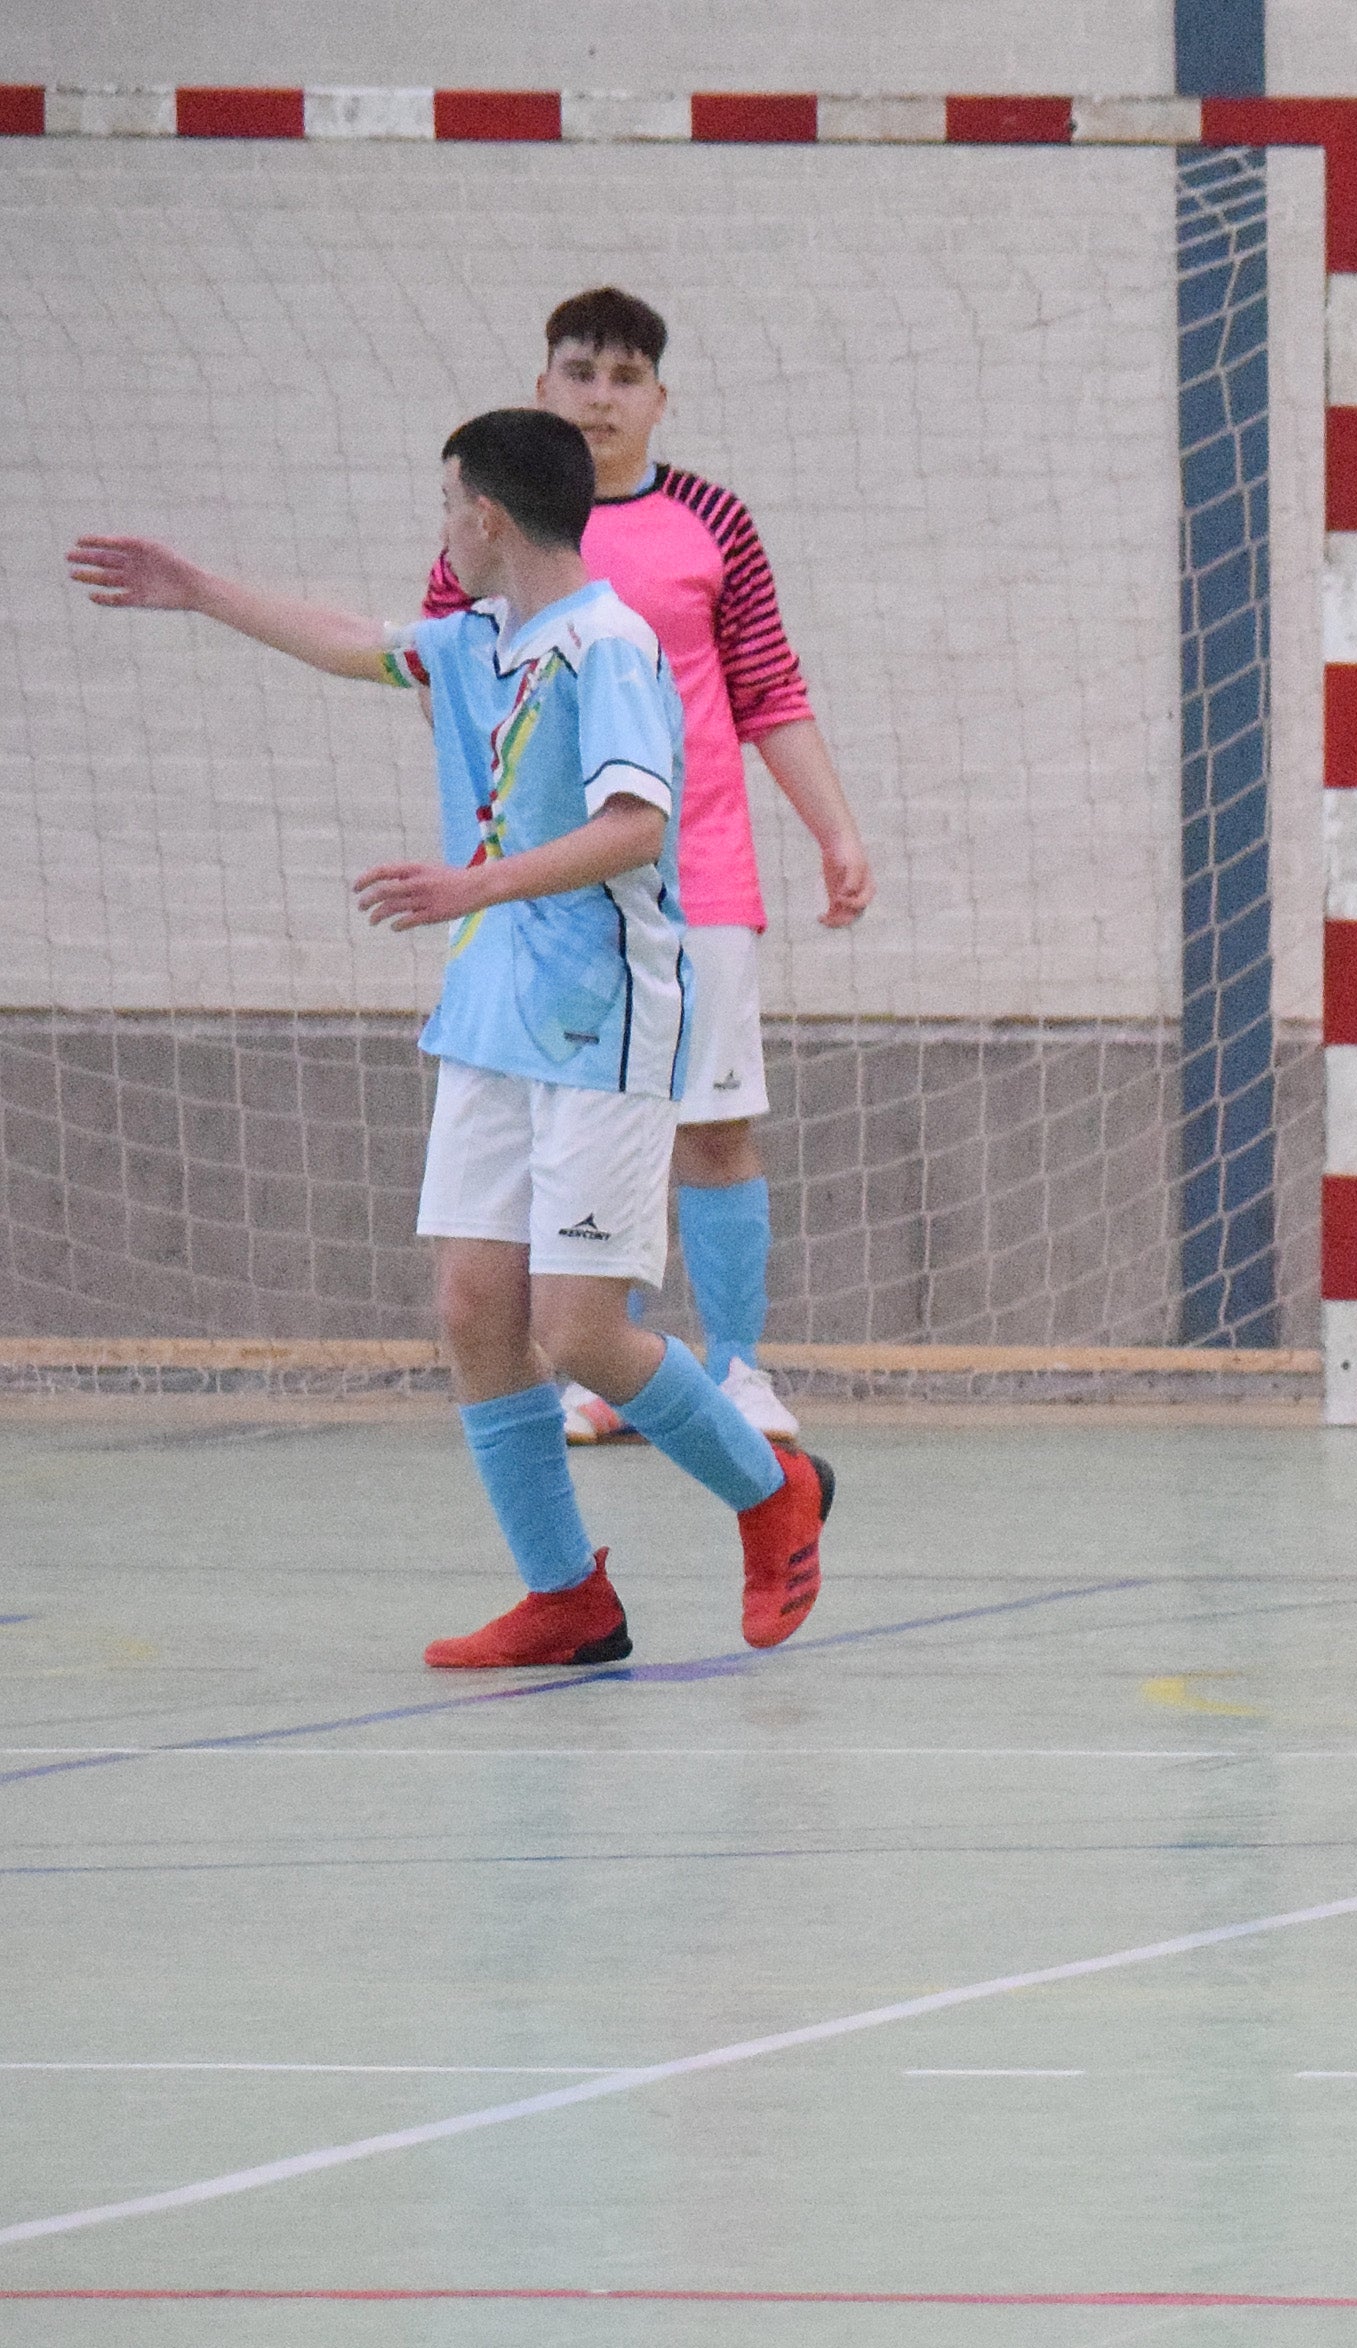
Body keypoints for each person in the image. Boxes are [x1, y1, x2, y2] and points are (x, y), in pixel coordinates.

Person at [70, 410, 835, 1667]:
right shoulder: (477, 639)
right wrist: (197, 591)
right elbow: (351, 643)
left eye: (445, 507)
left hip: (602, 1026)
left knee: (582, 1329)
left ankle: (772, 1494)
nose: (442, 530)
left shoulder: (611, 647)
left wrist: (470, 886)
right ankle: (566, 1597)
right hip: (488, 1022)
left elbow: (640, 827)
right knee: (477, 1306)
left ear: (485, 513)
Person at [424, 286, 877, 1448]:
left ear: (659, 399)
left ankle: (738, 1365)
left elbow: (769, 685)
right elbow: (447, 681)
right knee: (570, 1126)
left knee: (713, 1126)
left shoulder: (711, 519)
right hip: (539, 914)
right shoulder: (494, 530)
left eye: (626, 378)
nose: (600, 396)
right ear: (544, 387)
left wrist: (835, 827)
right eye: (580, 372)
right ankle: (605, 1360)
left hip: (695, 875)